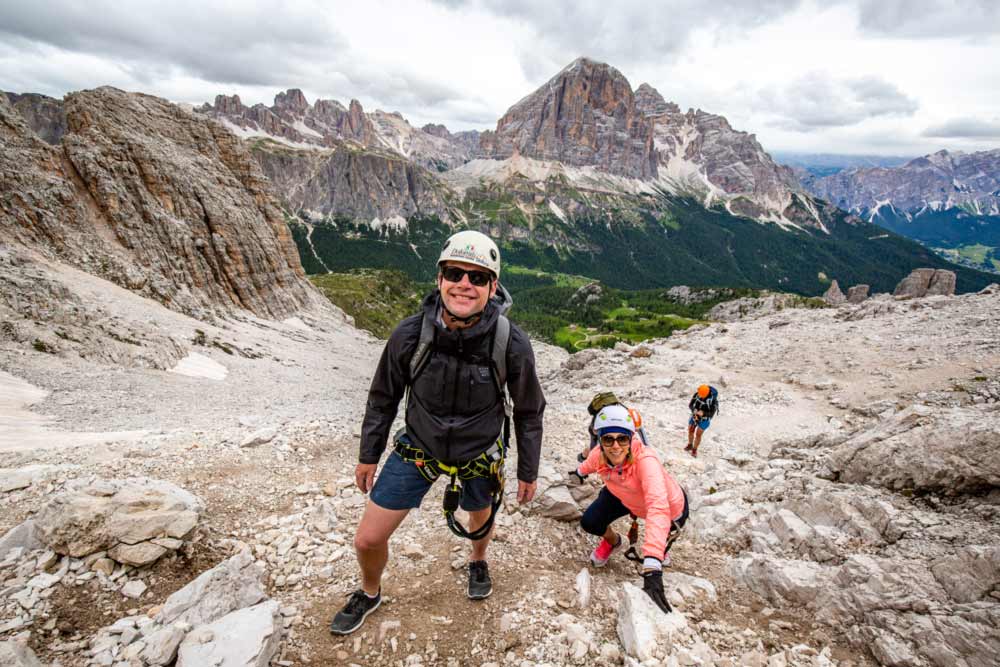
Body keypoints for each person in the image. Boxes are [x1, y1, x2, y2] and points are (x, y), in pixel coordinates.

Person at [330, 230, 546, 635]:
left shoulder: (510, 343)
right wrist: (368, 455)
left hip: (481, 449)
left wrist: (527, 471)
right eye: (455, 273)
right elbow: (383, 397)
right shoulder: (410, 335)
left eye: (477, 277)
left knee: (479, 520)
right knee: (367, 539)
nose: (465, 283)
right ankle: (370, 590)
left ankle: (478, 560)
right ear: (440, 278)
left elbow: (529, 410)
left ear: (492, 286)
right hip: (420, 446)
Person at [568, 405, 688, 614]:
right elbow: (590, 463)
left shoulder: (646, 462)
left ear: (631, 439)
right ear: (601, 440)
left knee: (658, 551)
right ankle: (614, 542)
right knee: (590, 521)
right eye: (608, 439)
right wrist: (579, 473)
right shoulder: (600, 453)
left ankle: (660, 554)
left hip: (670, 509)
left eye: (622, 439)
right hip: (624, 494)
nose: (615, 446)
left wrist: (652, 566)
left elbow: (658, 508)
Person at [685, 384, 718, 458]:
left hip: (705, 419)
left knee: (698, 434)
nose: (701, 397)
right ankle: (690, 444)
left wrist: (703, 413)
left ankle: (694, 449)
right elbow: (690, 405)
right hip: (695, 415)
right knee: (690, 430)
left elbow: (711, 414)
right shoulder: (697, 394)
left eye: (702, 396)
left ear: (706, 394)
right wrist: (694, 410)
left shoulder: (713, 401)